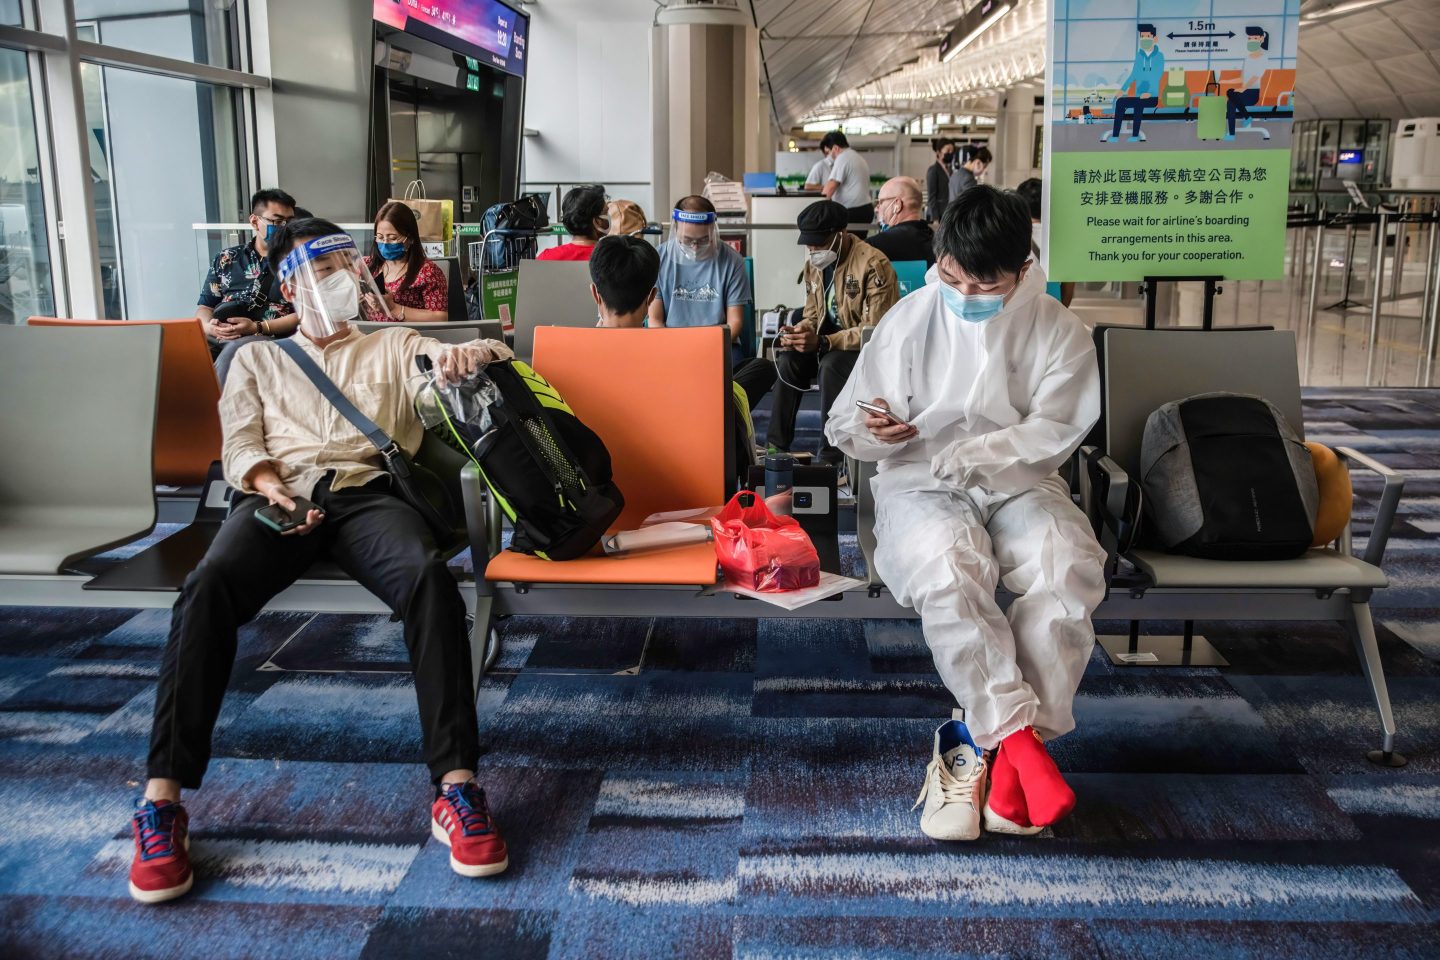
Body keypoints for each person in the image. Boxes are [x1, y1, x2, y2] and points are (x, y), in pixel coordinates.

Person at [126, 217, 513, 905]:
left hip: (370, 499)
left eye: (345, 268)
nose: (340, 282)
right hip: (281, 497)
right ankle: (162, 798)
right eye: (325, 272)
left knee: (429, 581)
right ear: (291, 290)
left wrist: (473, 354)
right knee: (207, 585)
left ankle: (458, 788)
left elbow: (458, 362)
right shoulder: (256, 360)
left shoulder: (391, 344)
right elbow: (241, 444)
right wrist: (272, 489)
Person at [825, 186, 1105, 844]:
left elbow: (1055, 432)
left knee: (1068, 567)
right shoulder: (912, 317)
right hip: (918, 477)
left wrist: (976, 452)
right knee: (950, 566)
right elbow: (847, 422)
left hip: (1018, 480)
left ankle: (989, 748)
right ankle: (1018, 746)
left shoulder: (1060, 330)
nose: (967, 294)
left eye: (988, 285)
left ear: (1023, 269)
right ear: (940, 256)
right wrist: (877, 432)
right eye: (954, 277)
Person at [742, 200, 898, 465]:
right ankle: (774, 448)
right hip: (826, 343)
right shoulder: (816, 264)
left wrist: (824, 342)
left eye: (818, 242)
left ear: (841, 234)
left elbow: (875, 331)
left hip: (861, 351)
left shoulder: (873, 264)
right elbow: (813, 314)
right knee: (788, 361)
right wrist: (799, 331)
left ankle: (831, 456)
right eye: (808, 243)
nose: (813, 249)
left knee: (830, 365)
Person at [197, 188, 299, 358]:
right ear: (254, 222)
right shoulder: (227, 258)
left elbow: (306, 313)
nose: (285, 227)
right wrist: (208, 327)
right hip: (220, 337)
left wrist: (257, 327)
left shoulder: (299, 261)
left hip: (271, 341)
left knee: (236, 352)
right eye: (277, 221)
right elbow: (205, 306)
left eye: (290, 222)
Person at [648, 195, 752, 362]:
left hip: (720, 344)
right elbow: (655, 319)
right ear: (676, 230)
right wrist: (673, 348)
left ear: (712, 230)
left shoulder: (732, 261)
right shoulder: (658, 259)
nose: (695, 247)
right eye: (687, 241)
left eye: (704, 240)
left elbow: (735, 322)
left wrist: (705, 348)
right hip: (671, 342)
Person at [366, 200, 449, 322]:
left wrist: (394, 308)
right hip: (372, 335)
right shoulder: (368, 265)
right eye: (380, 237)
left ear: (410, 239)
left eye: (392, 238)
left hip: (409, 337)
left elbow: (440, 317)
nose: (385, 243)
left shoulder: (428, 272)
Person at [1014, 177, 1074, 307]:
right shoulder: (1064, 238)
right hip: (1053, 307)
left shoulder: (1013, 237)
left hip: (1021, 309)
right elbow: (1068, 291)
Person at [1104, 23, 1164, 144]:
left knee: (1139, 104)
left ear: (1154, 39)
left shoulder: (1159, 57)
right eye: (1142, 37)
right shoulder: (1139, 56)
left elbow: (1157, 76)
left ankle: (1135, 135)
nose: (1144, 40)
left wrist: (1150, 93)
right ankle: (1115, 134)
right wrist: (1123, 89)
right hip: (1139, 95)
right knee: (1121, 102)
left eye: (1147, 37)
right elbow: (1133, 75)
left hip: (1152, 97)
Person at [865, 176, 936, 267]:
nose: (876, 209)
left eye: (880, 202)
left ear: (897, 205)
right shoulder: (939, 243)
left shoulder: (874, 246)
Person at [819, 131, 874, 235]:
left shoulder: (842, 158)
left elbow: (830, 188)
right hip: (865, 209)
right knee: (858, 247)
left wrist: (819, 210)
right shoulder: (856, 156)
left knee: (845, 247)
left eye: (829, 153)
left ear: (835, 148)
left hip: (853, 212)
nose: (830, 157)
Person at [1225, 27, 1272, 140]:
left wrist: (1243, 88)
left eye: (1255, 38)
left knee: (1231, 98)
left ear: (1261, 39)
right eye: (1250, 38)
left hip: (1252, 93)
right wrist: (1226, 81)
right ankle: (1240, 124)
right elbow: (1242, 78)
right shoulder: (1247, 58)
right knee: (1230, 97)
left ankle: (1237, 128)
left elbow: (1256, 76)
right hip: (1244, 91)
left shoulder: (1263, 58)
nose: (1251, 41)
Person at [538, 184, 608, 260]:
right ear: (597, 221)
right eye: (606, 213)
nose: (609, 217)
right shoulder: (611, 259)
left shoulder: (546, 257)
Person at [925, 138, 954, 223]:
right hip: (937, 215)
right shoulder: (933, 170)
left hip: (946, 214)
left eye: (952, 151)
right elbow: (931, 196)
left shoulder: (950, 170)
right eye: (948, 150)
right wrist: (935, 218)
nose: (950, 153)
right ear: (938, 152)